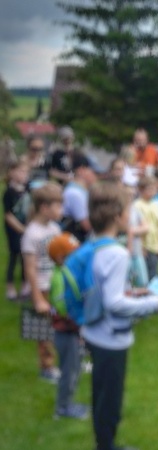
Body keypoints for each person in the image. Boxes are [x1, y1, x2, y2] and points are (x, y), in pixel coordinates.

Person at [82, 181, 158, 450]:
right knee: (109, 400)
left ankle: (106, 447)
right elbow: (113, 302)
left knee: (102, 395)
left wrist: (134, 292)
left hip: (95, 332)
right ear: (118, 215)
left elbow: (107, 291)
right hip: (111, 338)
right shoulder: (117, 253)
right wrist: (153, 303)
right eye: (129, 210)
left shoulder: (94, 244)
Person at [21, 182, 63, 383]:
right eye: (58, 206)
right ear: (45, 208)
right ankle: (46, 367)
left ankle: (63, 359)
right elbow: (29, 268)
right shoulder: (32, 233)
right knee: (42, 328)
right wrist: (37, 298)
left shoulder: (54, 228)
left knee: (58, 324)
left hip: (55, 284)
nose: (61, 211)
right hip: (41, 288)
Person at [48, 232, 89, 420]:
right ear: (60, 258)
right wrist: (78, 319)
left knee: (75, 367)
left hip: (72, 330)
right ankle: (63, 407)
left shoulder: (66, 272)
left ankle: (67, 403)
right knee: (69, 370)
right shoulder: (60, 277)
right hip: (66, 331)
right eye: (73, 254)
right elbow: (63, 307)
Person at [3, 160, 30, 300]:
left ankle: (26, 285)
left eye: (25, 171)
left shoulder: (27, 188)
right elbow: (8, 215)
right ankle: (10, 287)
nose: (24, 174)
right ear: (12, 173)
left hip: (26, 227)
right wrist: (21, 229)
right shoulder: (9, 192)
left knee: (26, 256)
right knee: (14, 255)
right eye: (20, 171)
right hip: (14, 229)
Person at [133, 176, 158, 281]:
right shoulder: (137, 205)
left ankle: (155, 293)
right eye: (149, 189)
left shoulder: (155, 204)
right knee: (148, 273)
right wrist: (141, 247)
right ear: (141, 190)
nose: (152, 192)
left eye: (154, 189)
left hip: (155, 244)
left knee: (155, 270)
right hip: (145, 245)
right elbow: (137, 227)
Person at [61, 152, 97, 242]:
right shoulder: (75, 193)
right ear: (81, 170)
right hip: (73, 241)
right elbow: (87, 226)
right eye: (93, 171)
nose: (96, 175)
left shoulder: (82, 191)